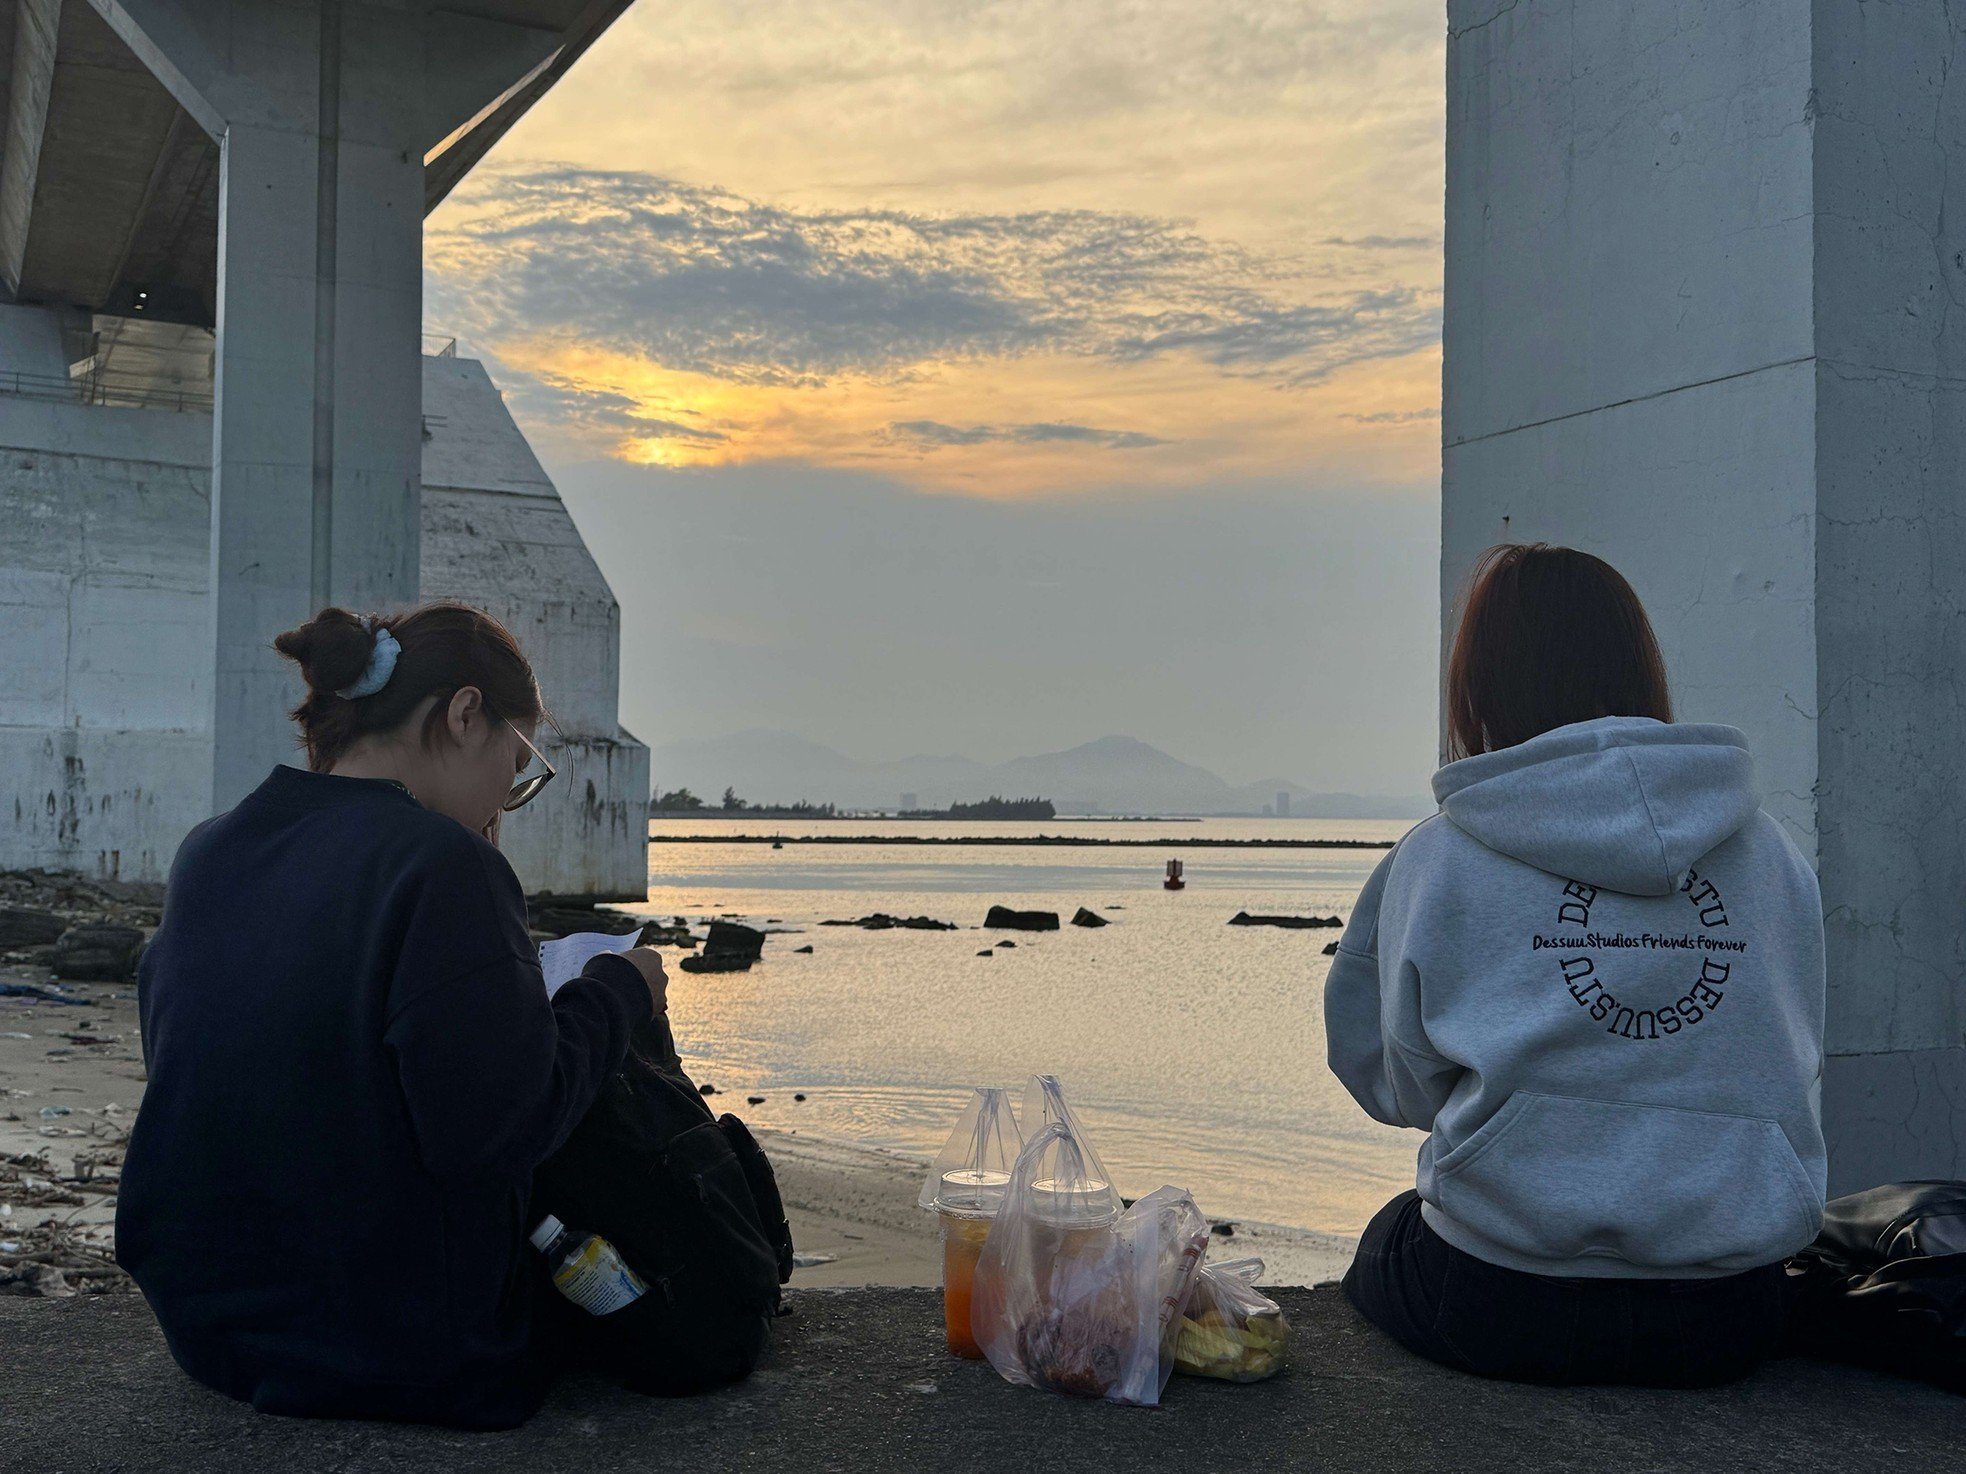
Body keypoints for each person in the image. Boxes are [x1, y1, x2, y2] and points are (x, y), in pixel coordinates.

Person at [116, 604, 669, 1429]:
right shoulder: (442, 865)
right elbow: (499, 1131)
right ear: (463, 713)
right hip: (400, 1348)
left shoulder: (212, 847)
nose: (509, 800)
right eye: (518, 766)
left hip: (209, 1327)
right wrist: (619, 990)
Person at [1326, 543, 1826, 1387]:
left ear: (1479, 688)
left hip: (1500, 1302)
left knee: (1386, 1239)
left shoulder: (1440, 856)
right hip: (1729, 1314)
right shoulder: (1775, 855)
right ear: (1639, 668)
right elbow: (1790, 1050)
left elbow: (1392, 1085)